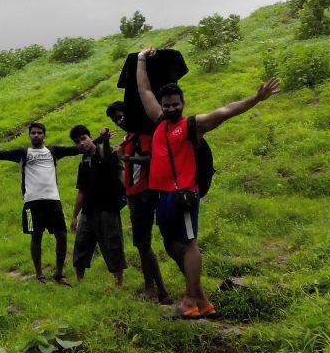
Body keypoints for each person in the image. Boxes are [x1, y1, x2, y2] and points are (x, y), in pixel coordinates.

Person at [136, 46, 280, 318]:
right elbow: (144, 90)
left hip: (183, 194)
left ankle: (190, 299)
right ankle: (202, 301)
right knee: (170, 245)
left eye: (174, 104)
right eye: (166, 105)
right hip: (162, 195)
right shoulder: (158, 121)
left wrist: (256, 99)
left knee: (188, 244)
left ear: (183, 103)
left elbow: (226, 111)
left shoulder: (193, 125)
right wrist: (141, 59)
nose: (169, 108)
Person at [0, 122, 80, 286]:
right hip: (32, 202)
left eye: (39, 133)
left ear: (45, 135)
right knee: (36, 237)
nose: (36, 135)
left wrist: (100, 140)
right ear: (29, 135)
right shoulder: (23, 153)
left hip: (53, 201)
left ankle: (59, 273)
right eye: (33, 133)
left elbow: (78, 149)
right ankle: (39, 275)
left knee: (62, 236)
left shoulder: (53, 151)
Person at [106, 101, 171, 304]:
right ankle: (160, 291)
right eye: (116, 118)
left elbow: (152, 158)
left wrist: (126, 158)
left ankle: (152, 290)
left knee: (143, 244)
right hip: (134, 194)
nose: (120, 120)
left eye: (122, 115)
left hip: (143, 192)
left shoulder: (143, 134)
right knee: (143, 245)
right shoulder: (129, 137)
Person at [69, 125, 127, 287]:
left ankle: (118, 284)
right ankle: (80, 282)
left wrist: (129, 196)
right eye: (77, 142)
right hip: (89, 210)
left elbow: (119, 173)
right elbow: (82, 191)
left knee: (113, 243)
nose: (81, 143)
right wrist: (74, 216)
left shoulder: (107, 153)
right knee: (81, 244)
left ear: (90, 137)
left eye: (83, 138)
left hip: (108, 207)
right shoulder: (83, 163)